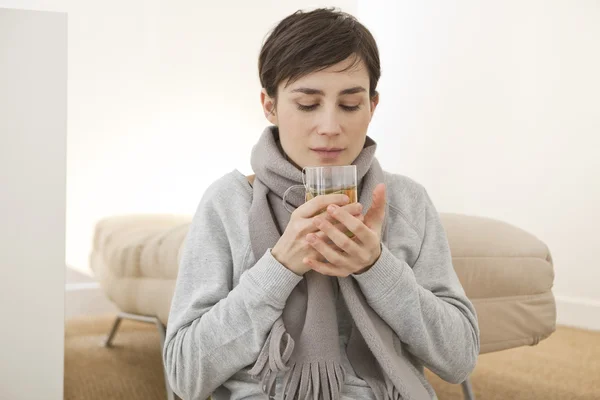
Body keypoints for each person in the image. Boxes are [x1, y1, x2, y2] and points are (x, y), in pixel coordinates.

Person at [163, 8, 480, 400]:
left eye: (349, 105)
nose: (330, 127)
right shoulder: (228, 205)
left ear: (372, 107)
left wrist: (376, 268)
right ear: (270, 106)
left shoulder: (405, 203)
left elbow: (460, 358)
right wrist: (279, 268)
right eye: (308, 104)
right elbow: (184, 374)